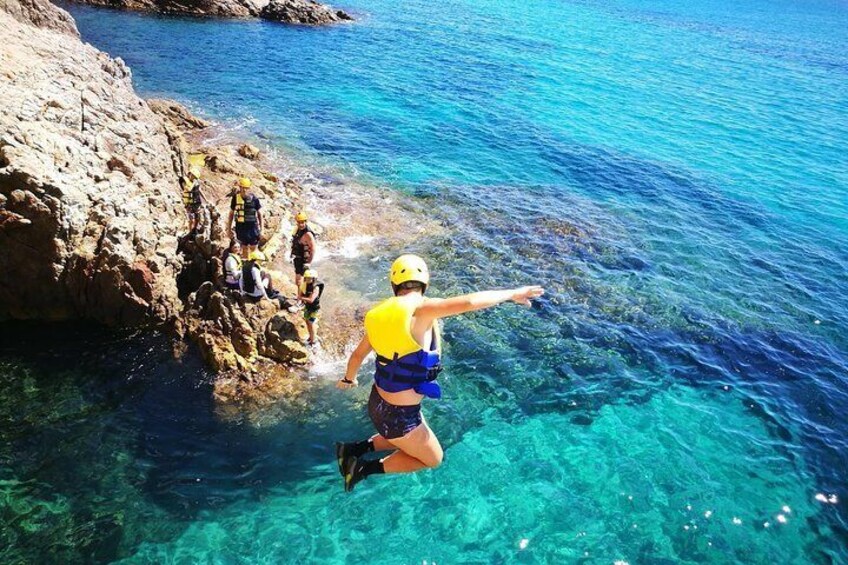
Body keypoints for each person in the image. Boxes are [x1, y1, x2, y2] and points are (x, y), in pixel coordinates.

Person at [335, 254, 544, 492]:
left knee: (403, 436)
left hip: (379, 401)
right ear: (424, 283)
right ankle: (361, 469)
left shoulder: (378, 316)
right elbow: (470, 302)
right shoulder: (422, 310)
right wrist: (512, 293)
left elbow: (357, 356)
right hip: (398, 414)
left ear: (394, 285)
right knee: (433, 459)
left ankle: (352, 449)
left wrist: (348, 379)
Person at [228, 177, 263, 258]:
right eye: (242, 188)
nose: (244, 190)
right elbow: (231, 214)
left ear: (249, 188)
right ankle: (246, 266)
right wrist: (229, 229)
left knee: (253, 248)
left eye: (246, 188)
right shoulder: (235, 198)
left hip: (252, 228)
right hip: (241, 227)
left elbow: (260, 214)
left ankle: (253, 266)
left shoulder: (254, 199)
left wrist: (262, 230)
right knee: (244, 248)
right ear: (239, 187)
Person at [297, 269, 324, 346]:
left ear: (314, 279)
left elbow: (311, 300)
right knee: (306, 321)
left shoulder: (316, 288)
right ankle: (311, 337)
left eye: (310, 278)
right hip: (307, 307)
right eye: (307, 278)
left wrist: (301, 298)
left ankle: (313, 341)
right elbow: (301, 293)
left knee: (310, 323)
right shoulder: (304, 285)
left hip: (314, 309)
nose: (308, 280)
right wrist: (300, 291)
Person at [290, 211, 316, 289]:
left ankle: (300, 299)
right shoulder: (297, 229)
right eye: (299, 222)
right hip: (297, 258)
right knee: (299, 281)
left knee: (300, 281)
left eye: (302, 222)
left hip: (303, 260)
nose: (301, 224)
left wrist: (308, 262)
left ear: (305, 221)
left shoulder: (308, 234)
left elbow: (313, 249)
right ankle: (300, 297)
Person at [181, 166, 204, 235]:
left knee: (198, 218)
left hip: (196, 202)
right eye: (192, 176)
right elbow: (188, 189)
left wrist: (205, 199)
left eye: (195, 177)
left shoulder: (195, 183)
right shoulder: (185, 181)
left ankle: (195, 230)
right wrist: (193, 183)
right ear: (189, 174)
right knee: (191, 219)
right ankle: (190, 232)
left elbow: (199, 191)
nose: (193, 178)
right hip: (189, 204)